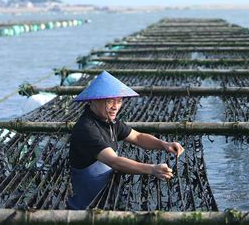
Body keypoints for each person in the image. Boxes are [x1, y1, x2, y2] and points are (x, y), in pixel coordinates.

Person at [67, 71, 184, 210]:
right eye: (109, 101)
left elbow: (137, 137)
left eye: (119, 101)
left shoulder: (111, 122)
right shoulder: (86, 129)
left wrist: (164, 144)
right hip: (84, 211)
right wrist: (152, 169)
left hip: (105, 201)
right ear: (93, 100)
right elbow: (114, 161)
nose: (115, 107)